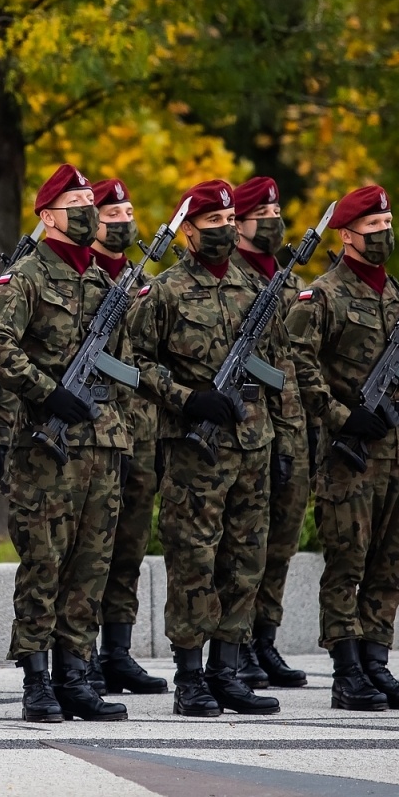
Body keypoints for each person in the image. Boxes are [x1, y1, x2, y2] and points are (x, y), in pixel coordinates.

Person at [0, 163, 130, 723]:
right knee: (45, 563)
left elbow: (123, 368)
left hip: (101, 444)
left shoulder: (103, 283)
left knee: (91, 567)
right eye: (76, 203)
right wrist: (44, 390)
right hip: (46, 448)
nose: (88, 211)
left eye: (91, 202)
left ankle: (75, 673)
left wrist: (119, 433)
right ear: (47, 216)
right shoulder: (28, 277)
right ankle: (38, 678)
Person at [125, 179, 288, 717]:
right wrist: (188, 398)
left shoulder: (256, 288)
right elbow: (136, 363)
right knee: (194, 560)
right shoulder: (163, 291)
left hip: (253, 441)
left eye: (226, 222)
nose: (219, 231)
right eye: (209, 224)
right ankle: (191, 676)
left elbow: (278, 366)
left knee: (245, 560)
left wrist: (282, 438)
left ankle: (228, 669)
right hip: (197, 449)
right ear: (187, 232)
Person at [286, 185, 399, 711]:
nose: (382, 236)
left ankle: (377, 663)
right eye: (372, 229)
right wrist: (344, 418)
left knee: (388, 567)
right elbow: (298, 367)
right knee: (347, 565)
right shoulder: (322, 296)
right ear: (347, 235)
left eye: (386, 226)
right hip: (351, 457)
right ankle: (347, 672)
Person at [228, 175, 311, 690]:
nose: (274, 224)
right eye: (264, 217)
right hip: (247, 427)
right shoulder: (231, 279)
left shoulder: (280, 278)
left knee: (278, 542)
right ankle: (233, 647)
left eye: (277, 215)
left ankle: (264, 638)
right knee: (242, 545)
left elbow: (294, 361)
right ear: (240, 225)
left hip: (289, 426)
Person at [87, 176, 167, 696]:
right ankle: (80, 653)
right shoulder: (81, 278)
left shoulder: (149, 285)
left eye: (127, 215)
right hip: (93, 429)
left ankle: (117, 651)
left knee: (129, 546)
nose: (122, 223)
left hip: (141, 432)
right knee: (88, 546)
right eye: (110, 216)